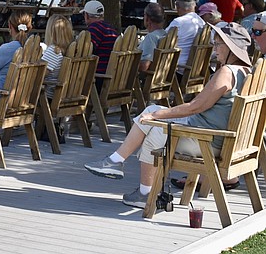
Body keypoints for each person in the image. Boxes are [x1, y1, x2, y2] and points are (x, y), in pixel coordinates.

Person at [84, 22, 252, 208]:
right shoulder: (247, 73)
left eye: (218, 44)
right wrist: (156, 114)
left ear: (230, 47)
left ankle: (143, 191)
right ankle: (116, 161)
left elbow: (195, 107)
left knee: (154, 129)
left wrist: (158, 114)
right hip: (218, 139)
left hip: (206, 142)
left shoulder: (226, 73)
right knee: (150, 114)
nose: (214, 49)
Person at [0, 11, 34, 105]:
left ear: (9, 26)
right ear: (30, 27)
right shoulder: (35, 49)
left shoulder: (7, 48)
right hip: (22, 97)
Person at [167, 0, 205, 74]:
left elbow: (162, 42)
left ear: (177, 5)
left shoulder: (178, 23)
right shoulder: (201, 22)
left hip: (177, 69)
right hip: (197, 70)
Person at [82, 0, 118, 80]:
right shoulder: (110, 29)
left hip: (98, 76)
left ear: (87, 15)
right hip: (112, 75)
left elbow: (84, 52)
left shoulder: (94, 29)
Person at [41, 14, 74, 99]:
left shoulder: (53, 51)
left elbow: (40, 74)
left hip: (47, 96)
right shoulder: (68, 49)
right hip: (65, 95)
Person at [137, 3, 166, 73]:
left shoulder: (151, 38)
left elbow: (144, 66)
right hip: (161, 76)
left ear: (147, 19)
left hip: (144, 79)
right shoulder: (165, 35)